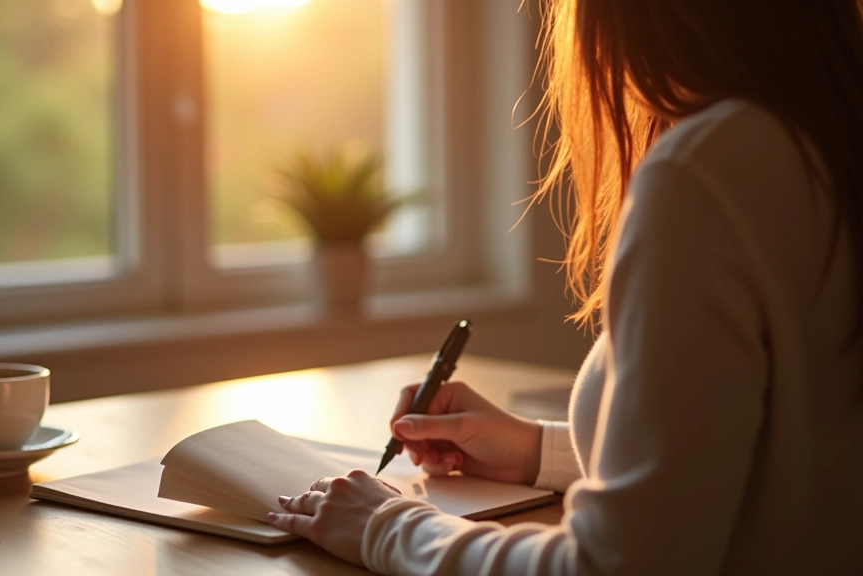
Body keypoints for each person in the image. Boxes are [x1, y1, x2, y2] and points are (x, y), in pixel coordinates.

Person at [267, 0, 863, 573]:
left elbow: (618, 566)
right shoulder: (825, 141)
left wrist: (387, 527)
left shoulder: (706, 174)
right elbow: (779, 474)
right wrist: (535, 451)